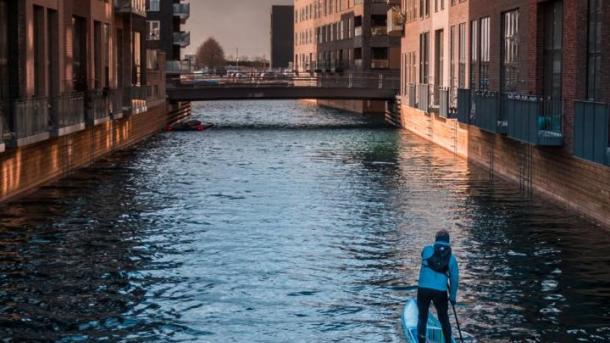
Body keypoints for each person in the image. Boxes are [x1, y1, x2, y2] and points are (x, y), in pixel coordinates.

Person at [417, 230, 459, 343]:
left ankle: (421, 341)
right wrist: (453, 297)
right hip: (440, 291)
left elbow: (423, 256)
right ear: (448, 241)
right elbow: (454, 280)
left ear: (436, 240)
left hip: (423, 289)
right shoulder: (452, 259)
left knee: (422, 317)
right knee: (444, 319)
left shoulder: (426, 250)